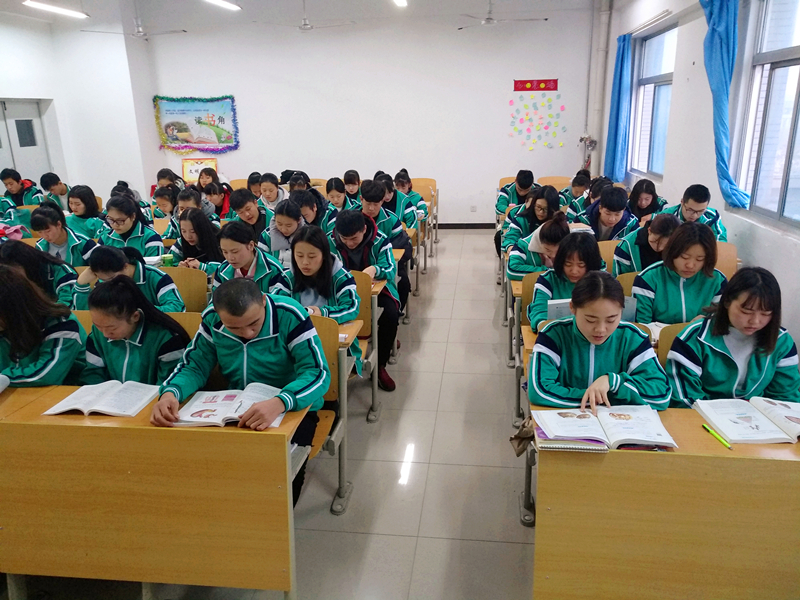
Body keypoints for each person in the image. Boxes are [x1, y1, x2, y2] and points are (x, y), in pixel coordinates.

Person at [151, 277, 330, 505]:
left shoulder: (289, 314)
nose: (247, 333)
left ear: (263, 301)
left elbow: (317, 372)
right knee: (203, 468)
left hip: (293, 407)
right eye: (234, 328)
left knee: (279, 479)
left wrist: (281, 401)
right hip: (235, 407)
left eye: (254, 323)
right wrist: (171, 393)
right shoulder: (212, 318)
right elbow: (194, 365)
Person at [528, 271, 671, 413]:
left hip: (619, 424)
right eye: (590, 320)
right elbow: (539, 390)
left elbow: (661, 395)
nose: (601, 330)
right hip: (566, 421)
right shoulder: (553, 334)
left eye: (611, 320)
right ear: (572, 308)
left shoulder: (632, 338)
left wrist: (614, 382)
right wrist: (597, 398)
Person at [667, 267, 800, 405]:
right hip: (703, 415)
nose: (755, 321)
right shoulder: (695, 337)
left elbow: (786, 399)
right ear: (727, 302)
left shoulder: (781, 342)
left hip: (755, 416)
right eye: (746, 312)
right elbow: (684, 399)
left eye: (765, 314)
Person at [275, 225, 362, 374]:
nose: (305, 262)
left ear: (324, 255)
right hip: (296, 343)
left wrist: (323, 313)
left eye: (312, 256)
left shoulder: (341, 277)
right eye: (299, 256)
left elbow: (352, 307)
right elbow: (276, 307)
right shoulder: (287, 278)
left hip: (334, 342)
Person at [331, 210, 399, 391]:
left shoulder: (380, 240)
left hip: (376, 291)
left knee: (391, 315)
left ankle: (380, 364)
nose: (349, 243)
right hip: (340, 292)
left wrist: (375, 269)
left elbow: (390, 268)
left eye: (354, 238)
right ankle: (341, 363)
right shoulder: (331, 241)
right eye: (344, 238)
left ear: (364, 229)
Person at [82, 276, 191, 385]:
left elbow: (169, 384)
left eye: (112, 328)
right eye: (98, 326)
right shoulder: (96, 334)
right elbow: (93, 374)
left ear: (135, 316)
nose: (105, 334)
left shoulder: (166, 338)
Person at [0, 265, 86, 387]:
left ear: (14, 309)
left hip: (67, 391)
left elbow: (46, 376)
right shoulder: (6, 327)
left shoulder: (61, 323)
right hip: (17, 393)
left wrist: (4, 378)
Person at [633, 221, 727, 325]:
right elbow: (642, 328)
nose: (690, 265)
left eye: (700, 259)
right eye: (684, 257)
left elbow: (720, 324)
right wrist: (686, 329)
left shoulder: (717, 281)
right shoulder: (647, 279)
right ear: (672, 252)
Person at [527, 233, 604, 332]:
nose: (574, 271)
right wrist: (544, 327)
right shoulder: (548, 280)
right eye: (568, 264)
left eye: (581, 265)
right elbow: (538, 311)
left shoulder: (602, 282)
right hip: (554, 334)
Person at [75, 246, 186, 312]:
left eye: (112, 278)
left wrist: (136, 311)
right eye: (103, 280)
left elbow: (177, 308)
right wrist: (81, 285)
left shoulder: (155, 276)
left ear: (125, 266)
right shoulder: (104, 281)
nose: (109, 283)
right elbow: (90, 315)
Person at [212, 221, 289, 295]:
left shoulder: (274, 270)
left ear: (251, 246)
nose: (230, 258)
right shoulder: (222, 270)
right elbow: (215, 300)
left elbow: (277, 302)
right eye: (225, 252)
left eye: (235, 251)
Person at [0, 240, 78, 308]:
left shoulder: (63, 272)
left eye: (12, 269)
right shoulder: (9, 277)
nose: (9, 274)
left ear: (25, 264)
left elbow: (68, 305)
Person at [30, 201, 98, 266]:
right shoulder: (40, 246)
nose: (44, 236)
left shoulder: (83, 243)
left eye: (48, 231)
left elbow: (100, 268)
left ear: (58, 224)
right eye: (39, 232)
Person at [612, 213, 680, 276]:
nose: (659, 248)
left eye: (666, 245)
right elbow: (621, 280)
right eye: (654, 241)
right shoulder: (625, 247)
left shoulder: (679, 245)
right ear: (649, 231)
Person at [507, 212, 570, 280]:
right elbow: (512, 270)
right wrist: (548, 272)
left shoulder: (571, 245)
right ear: (540, 241)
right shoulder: (522, 245)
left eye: (558, 251)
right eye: (548, 250)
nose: (553, 255)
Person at [98, 195, 164, 257]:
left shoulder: (151, 238)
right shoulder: (105, 238)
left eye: (120, 221)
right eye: (111, 219)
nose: (115, 225)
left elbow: (154, 265)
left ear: (133, 216)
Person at [659, 184, 727, 241]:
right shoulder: (667, 216)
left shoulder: (712, 217)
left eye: (700, 211)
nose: (694, 215)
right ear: (682, 202)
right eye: (690, 210)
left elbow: (721, 242)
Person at [502, 185, 560, 252]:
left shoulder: (559, 222)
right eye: (538, 207)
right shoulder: (521, 219)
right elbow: (510, 239)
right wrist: (512, 249)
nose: (541, 212)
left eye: (546, 209)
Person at [495, 169, 535, 257]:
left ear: (532, 184)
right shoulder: (507, 189)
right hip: (512, 221)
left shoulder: (538, 190)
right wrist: (513, 210)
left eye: (526, 190)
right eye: (519, 189)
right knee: (499, 237)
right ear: (515, 181)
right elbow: (499, 207)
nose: (522, 193)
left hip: (531, 224)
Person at [174, 208, 225, 275]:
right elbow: (170, 262)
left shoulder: (220, 241)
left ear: (202, 228)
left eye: (193, 231)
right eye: (183, 231)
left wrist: (202, 267)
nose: (188, 236)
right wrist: (179, 266)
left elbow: (227, 267)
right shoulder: (181, 242)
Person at [259, 198, 306, 270]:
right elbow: (261, 261)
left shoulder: (308, 236)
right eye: (279, 224)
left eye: (288, 225)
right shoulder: (267, 235)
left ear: (299, 220)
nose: (283, 229)